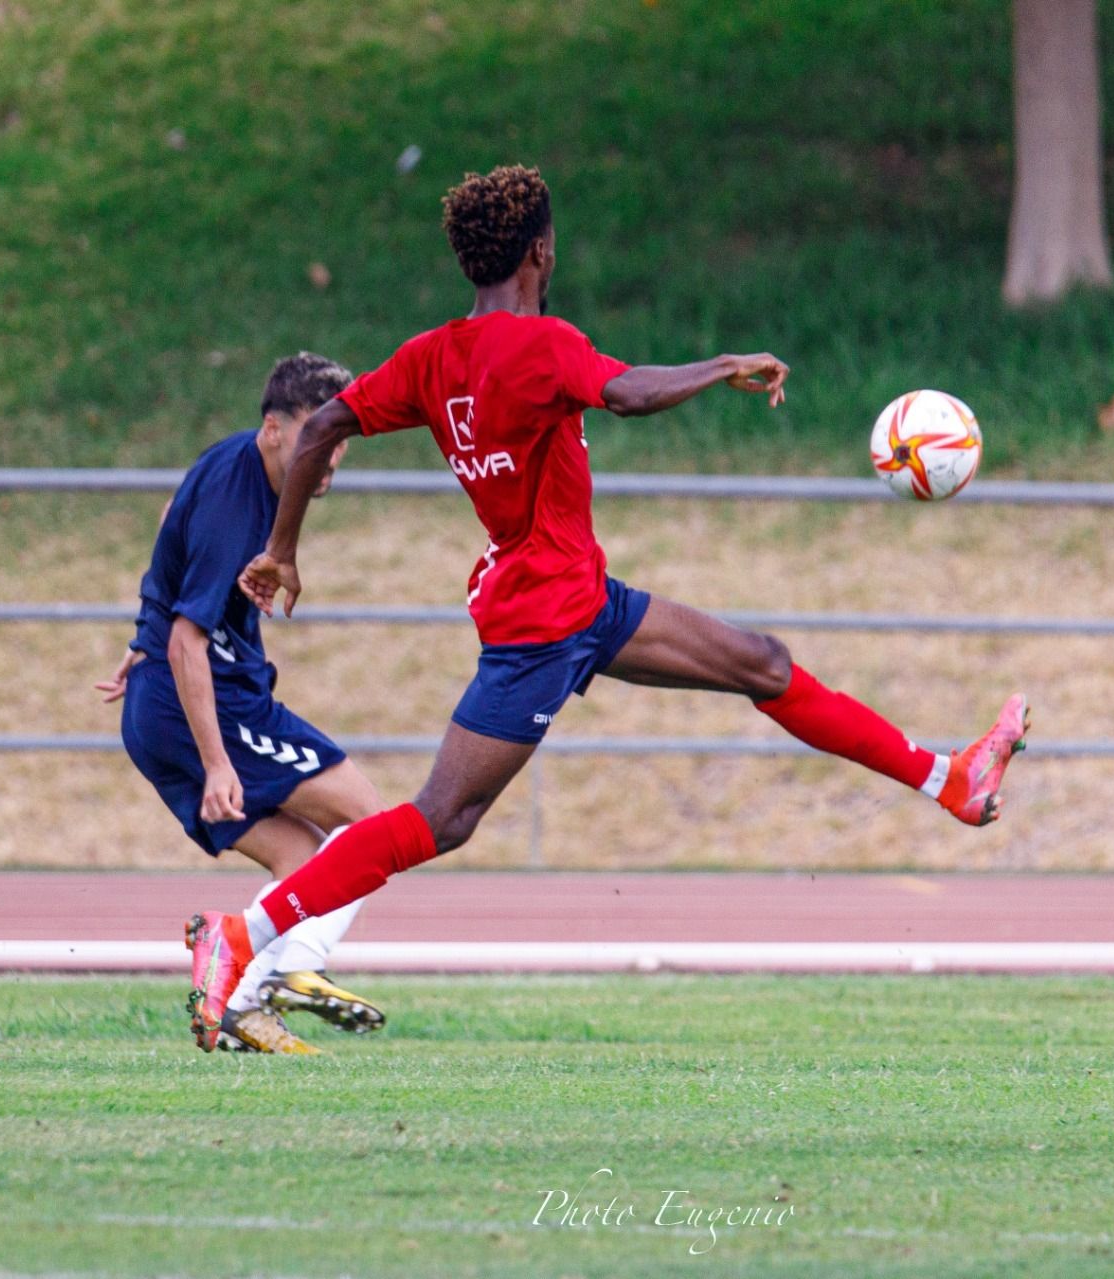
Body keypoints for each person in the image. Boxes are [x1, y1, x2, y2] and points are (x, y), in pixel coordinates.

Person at [184, 167, 1030, 1044]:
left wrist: (283, 550)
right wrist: (725, 365)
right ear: (541, 252)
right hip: (544, 623)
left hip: (579, 596)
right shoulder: (541, 344)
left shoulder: (430, 357)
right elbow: (627, 392)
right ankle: (245, 934)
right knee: (442, 817)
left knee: (762, 663)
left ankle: (950, 778)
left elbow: (322, 427)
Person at [97, 352, 389, 1054]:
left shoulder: (242, 465)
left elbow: (173, 520)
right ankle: (286, 969)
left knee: (304, 860)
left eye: (340, 444)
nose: (331, 462)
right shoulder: (240, 499)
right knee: (371, 822)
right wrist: (218, 762)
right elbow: (188, 644)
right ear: (272, 429)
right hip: (206, 704)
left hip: (163, 706)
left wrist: (145, 628)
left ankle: (236, 1001)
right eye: (318, 442)